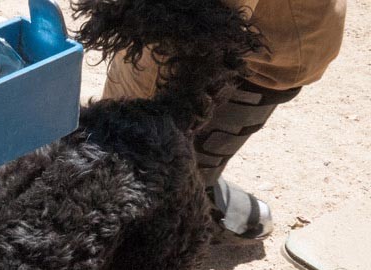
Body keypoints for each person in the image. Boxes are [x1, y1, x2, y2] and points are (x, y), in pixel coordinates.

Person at [103, 0, 347, 238]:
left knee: (289, 43)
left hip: (261, 48)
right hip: (270, 40)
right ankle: (153, 190)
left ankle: (179, 190)